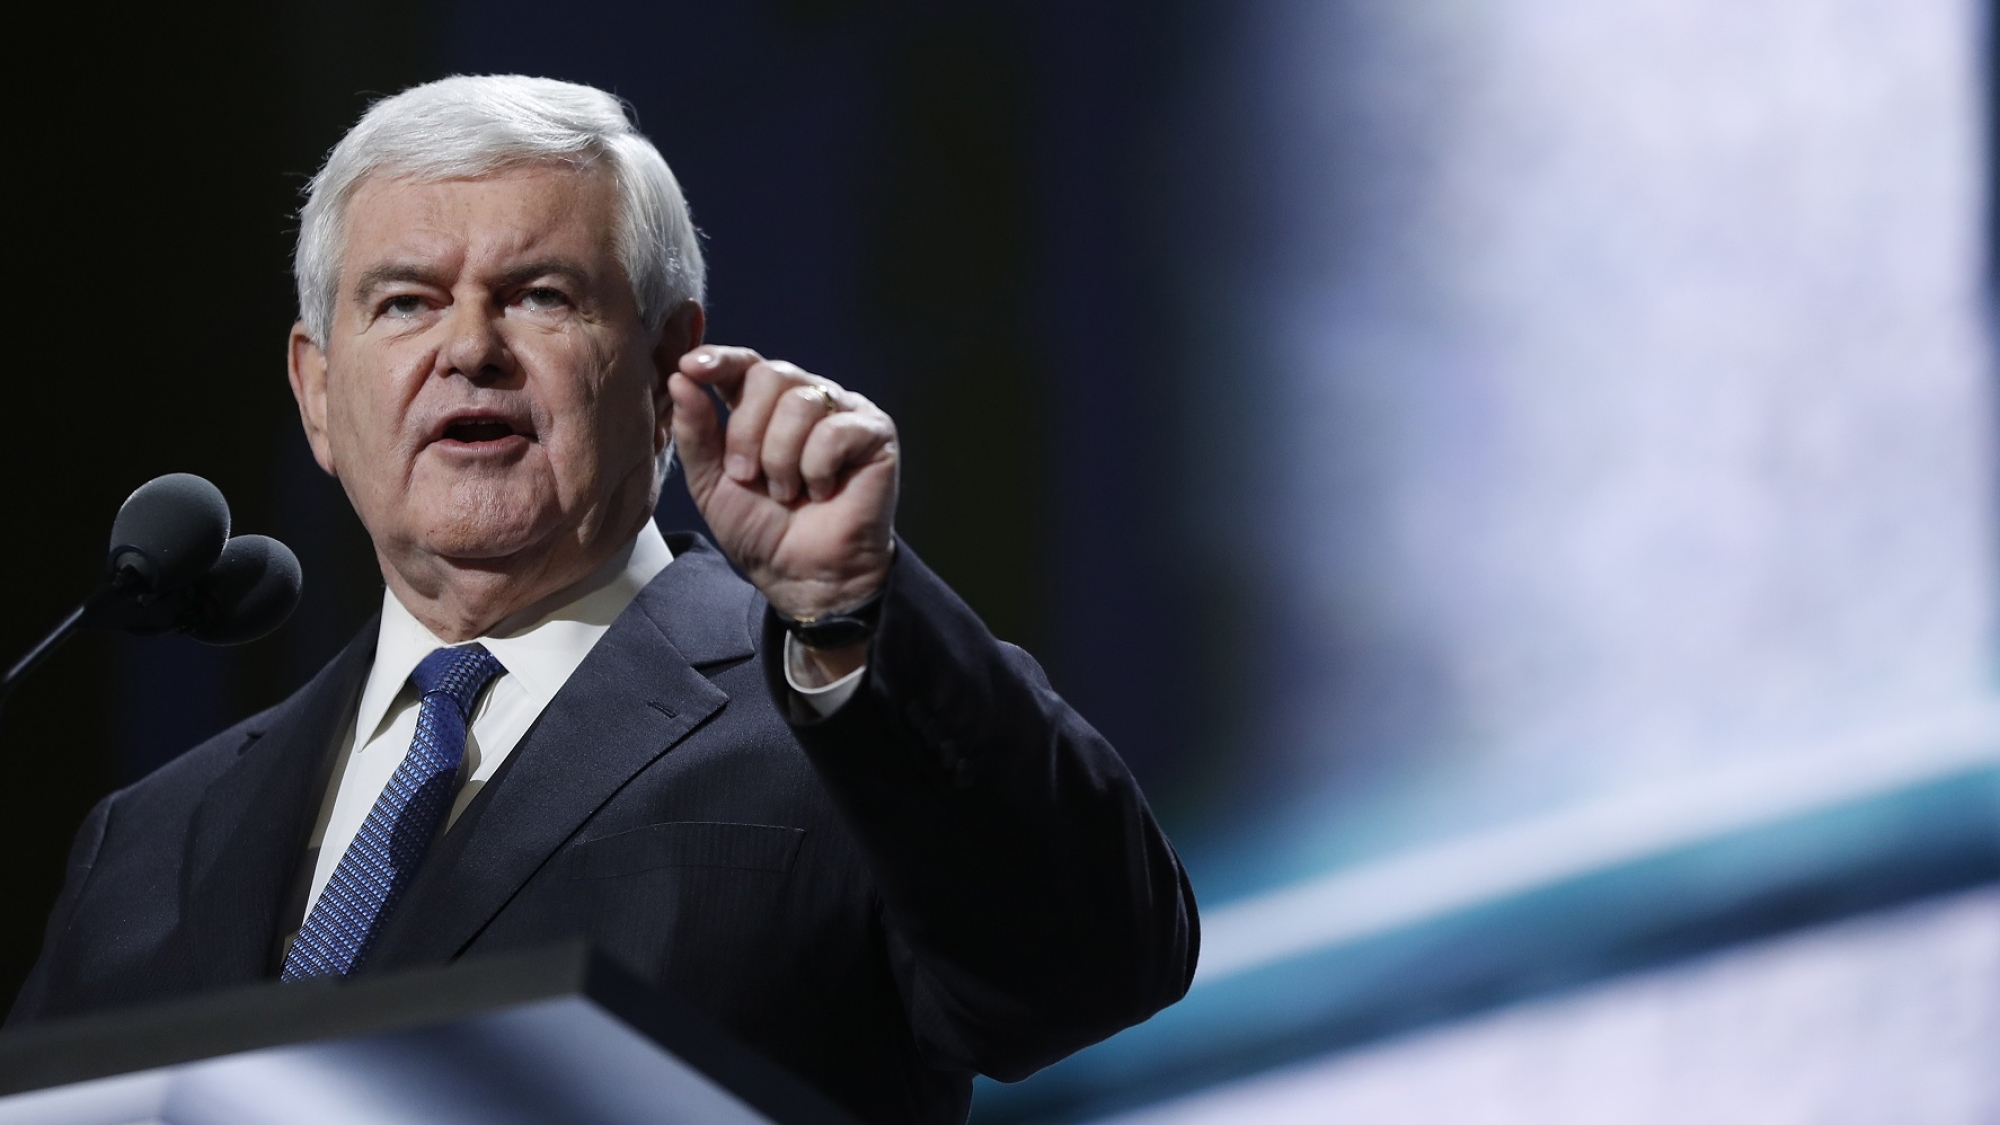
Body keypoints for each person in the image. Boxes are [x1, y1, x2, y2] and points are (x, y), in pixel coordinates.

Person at [6, 75, 1196, 1122]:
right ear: (319, 393)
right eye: (405, 302)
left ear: (666, 360)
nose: (467, 349)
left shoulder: (836, 710)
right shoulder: (151, 839)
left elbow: (1092, 966)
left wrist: (845, 608)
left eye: (538, 295)